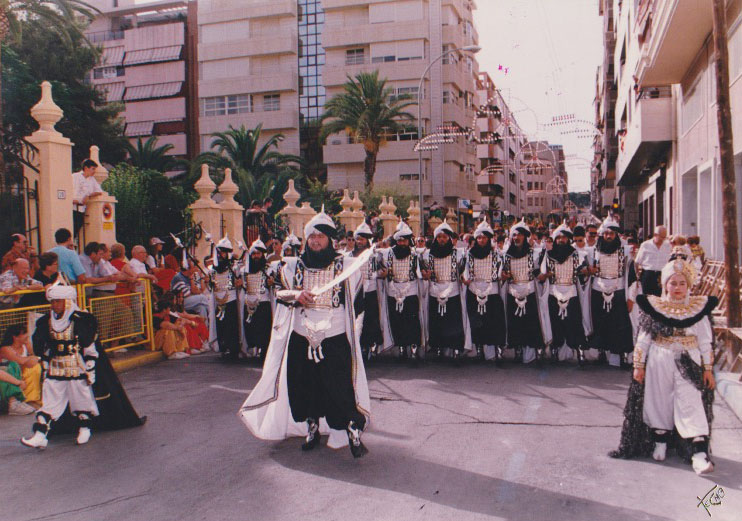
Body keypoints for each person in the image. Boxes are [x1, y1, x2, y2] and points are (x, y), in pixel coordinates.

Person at [239, 207, 371, 458]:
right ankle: (312, 427)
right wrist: (296, 295)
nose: (316, 241)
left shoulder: (347, 266)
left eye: (320, 236)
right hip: (301, 337)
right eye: (312, 236)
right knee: (304, 386)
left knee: (339, 387)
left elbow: (358, 303)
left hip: (334, 337)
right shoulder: (291, 267)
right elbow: (279, 292)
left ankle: (352, 427)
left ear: (330, 239)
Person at [610, 253, 716, 475]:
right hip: (660, 359)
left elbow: (705, 341)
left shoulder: (698, 308)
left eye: (682, 283)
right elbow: (643, 339)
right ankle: (660, 441)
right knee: (659, 400)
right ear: (665, 284)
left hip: (689, 360)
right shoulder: (655, 307)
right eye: (673, 283)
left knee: (690, 401)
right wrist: (638, 366)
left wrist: (707, 369)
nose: (677, 288)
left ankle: (699, 453)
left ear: (689, 285)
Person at [20, 283, 99, 448]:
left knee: (80, 399)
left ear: (67, 302)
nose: (54, 305)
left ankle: (85, 428)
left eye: (58, 301)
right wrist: (44, 364)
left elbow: (88, 345)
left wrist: (90, 366)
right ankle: (40, 435)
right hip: (55, 366)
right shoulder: (45, 322)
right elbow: (43, 347)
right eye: (52, 301)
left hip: (76, 366)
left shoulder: (80, 320)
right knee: (49, 402)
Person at [586, 216, 636, 367]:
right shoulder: (592, 251)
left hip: (618, 291)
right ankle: (601, 351)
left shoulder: (625, 251)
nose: (608, 236)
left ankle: (621, 354)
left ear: (616, 235)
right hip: (598, 291)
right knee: (600, 324)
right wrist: (588, 270)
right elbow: (585, 271)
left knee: (620, 325)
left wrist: (631, 298)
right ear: (602, 234)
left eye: (611, 234)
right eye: (606, 233)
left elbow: (632, 277)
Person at [538, 222, 590, 364]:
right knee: (555, 323)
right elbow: (541, 275)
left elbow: (583, 273)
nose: (561, 240)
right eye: (559, 238)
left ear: (568, 239)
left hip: (571, 293)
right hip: (553, 293)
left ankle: (579, 350)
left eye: (564, 237)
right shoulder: (548, 255)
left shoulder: (577, 254)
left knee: (575, 323)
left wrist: (584, 272)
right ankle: (555, 349)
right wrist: (544, 275)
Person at [500, 219, 550, 363]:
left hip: (530, 292)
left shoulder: (534, 254)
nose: (517, 238)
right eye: (514, 235)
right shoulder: (506, 255)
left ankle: (536, 349)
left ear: (525, 237)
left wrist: (543, 276)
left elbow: (538, 273)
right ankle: (518, 349)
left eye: (520, 235)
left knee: (532, 323)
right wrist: (503, 276)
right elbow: (502, 274)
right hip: (512, 292)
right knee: (515, 324)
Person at [420, 221, 470, 361]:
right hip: (434, 291)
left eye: (444, 237)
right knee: (436, 322)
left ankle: (455, 348)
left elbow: (463, 272)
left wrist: (463, 277)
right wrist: (425, 276)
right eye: (439, 237)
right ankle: (438, 347)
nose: (442, 239)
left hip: (452, 292)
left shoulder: (458, 254)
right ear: (435, 238)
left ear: (449, 238)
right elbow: (424, 274)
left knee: (454, 323)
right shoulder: (427, 255)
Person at [462, 220, 506, 362]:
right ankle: (479, 349)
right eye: (479, 238)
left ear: (489, 239)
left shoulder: (496, 255)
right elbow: (465, 271)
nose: (481, 240)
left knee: (494, 323)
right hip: (474, 291)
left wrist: (503, 276)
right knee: (476, 323)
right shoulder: (469, 254)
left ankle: (495, 351)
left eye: (484, 238)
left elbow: (500, 272)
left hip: (491, 292)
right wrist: (465, 279)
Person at [379, 221, 424, 360]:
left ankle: (414, 348)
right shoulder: (387, 254)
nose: (402, 243)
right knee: (397, 321)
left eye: (404, 240)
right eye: (399, 240)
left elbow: (422, 271)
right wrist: (383, 273)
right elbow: (380, 266)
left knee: (412, 321)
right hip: (393, 291)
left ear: (408, 241)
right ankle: (401, 348)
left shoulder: (415, 254)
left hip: (410, 291)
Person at [351, 222, 385, 361]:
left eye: (362, 239)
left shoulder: (375, 256)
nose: (359, 242)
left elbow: (382, 271)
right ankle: (357, 347)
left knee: (371, 320)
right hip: (355, 293)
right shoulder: (349, 256)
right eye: (357, 239)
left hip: (370, 292)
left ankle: (370, 346)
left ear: (367, 240)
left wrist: (379, 273)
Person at [208, 235, 242, 361]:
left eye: (223, 252)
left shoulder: (234, 267)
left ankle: (233, 350)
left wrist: (239, 283)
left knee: (231, 326)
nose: (221, 255)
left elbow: (239, 282)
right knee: (220, 326)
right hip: (218, 301)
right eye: (219, 252)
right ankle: (223, 348)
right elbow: (211, 285)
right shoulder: (213, 269)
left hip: (230, 300)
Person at [240, 239, 274, 362]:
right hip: (249, 303)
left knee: (263, 330)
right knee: (250, 328)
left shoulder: (269, 269)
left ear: (262, 254)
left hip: (263, 303)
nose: (256, 256)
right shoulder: (244, 270)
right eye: (253, 254)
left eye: (258, 253)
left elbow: (274, 284)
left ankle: (263, 351)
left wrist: (271, 283)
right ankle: (252, 350)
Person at [0, 324, 42, 407]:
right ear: (15, 337)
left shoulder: (26, 345)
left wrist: (30, 355)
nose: (27, 335)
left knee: (36, 367)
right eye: (24, 333)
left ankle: (31, 399)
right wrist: (31, 358)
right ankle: (25, 399)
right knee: (29, 367)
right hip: (10, 375)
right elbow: (20, 361)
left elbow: (34, 360)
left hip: (23, 372)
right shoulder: (5, 349)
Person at [634, 225, 671, 296]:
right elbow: (637, 262)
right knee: (646, 298)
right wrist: (636, 277)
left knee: (660, 298)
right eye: (661, 237)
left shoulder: (668, 246)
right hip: (648, 275)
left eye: (664, 237)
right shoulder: (645, 245)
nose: (663, 240)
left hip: (662, 275)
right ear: (655, 235)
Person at [71, 159, 103, 239]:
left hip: (82, 209)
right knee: (72, 230)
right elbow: (73, 193)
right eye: (93, 169)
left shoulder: (92, 179)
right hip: (73, 208)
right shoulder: (75, 177)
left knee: (77, 230)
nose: (94, 171)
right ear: (86, 168)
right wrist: (79, 200)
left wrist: (88, 195)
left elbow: (99, 191)